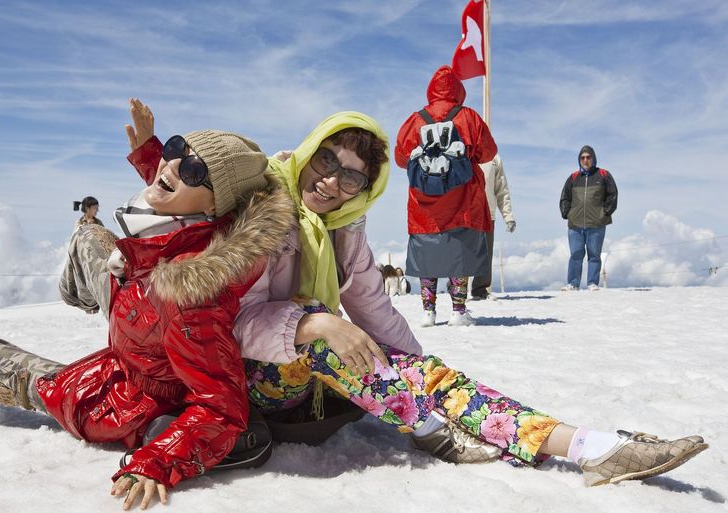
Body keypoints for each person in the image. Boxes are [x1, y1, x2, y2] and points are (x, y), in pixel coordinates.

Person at [227, 111, 707, 488]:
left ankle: (589, 448)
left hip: (319, 380)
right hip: (253, 385)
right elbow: (235, 320)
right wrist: (312, 325)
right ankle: (430, 430)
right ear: (310, 151)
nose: (333, 182)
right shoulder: (260, 206)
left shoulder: (343, 228)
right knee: (325, 329)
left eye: (352, 178)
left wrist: (423, 374)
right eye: (328, 160)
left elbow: (375, 311)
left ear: (363, 192)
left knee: (407, 366)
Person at [0, 99, 294, 510]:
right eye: (178, 150)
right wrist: (152, 149)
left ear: (216, 207)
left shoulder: (190, 295)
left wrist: (158, 460)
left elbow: (222, 407)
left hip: (118, 395)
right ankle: (81, 299)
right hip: (134, 311)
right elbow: (174, 186)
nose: (173, 166)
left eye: (194, 170)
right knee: (88, 235)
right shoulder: (202, 221)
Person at [394, 65, 495, 327]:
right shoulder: (469, 117)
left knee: (428, 255)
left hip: (424, 204)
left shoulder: (415, 120)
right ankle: (458, 311)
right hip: (463, 200)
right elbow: (488, 153)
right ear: (458, 90)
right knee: (459, 254)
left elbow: (401, 158)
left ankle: (428, 311)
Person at [559, 145, 618, 291]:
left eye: (588, 157)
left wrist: (604, 213)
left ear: (593, 158)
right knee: (576, 254)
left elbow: (613, 195)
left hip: (596, 223)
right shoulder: (573, 178)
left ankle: (592, 283)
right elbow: (565, 197)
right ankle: (573, 283)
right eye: (582, 158)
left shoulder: (603, 175)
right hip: (575, 224)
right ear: (579, 160)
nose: (585, 160)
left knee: (594, 255)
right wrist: (567, 214)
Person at [470, 154, 516, 300]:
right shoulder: (462, 149)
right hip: (464, 213)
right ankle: (458, 291)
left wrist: (508, 216)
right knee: (461, 254)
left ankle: (480, 289)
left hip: (487, 212)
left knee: (486, 253)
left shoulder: (494, 158)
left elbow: (501, 189)